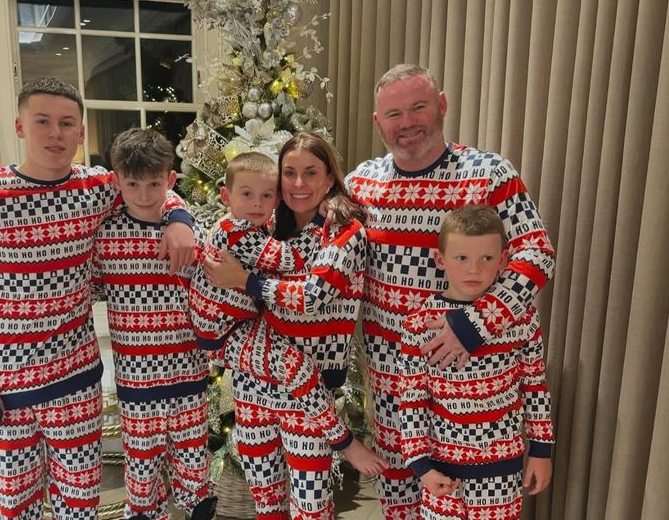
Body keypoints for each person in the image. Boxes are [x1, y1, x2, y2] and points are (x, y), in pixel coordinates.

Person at [0, 76, 195, 519]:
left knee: (79, 504)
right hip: (7, 384)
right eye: (42, 121)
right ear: (20, 126)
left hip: (76, 380)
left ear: (81, 132)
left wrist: (180, 220)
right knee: (14, 505)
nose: (55, 133)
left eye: (66, 123)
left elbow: (152, 185)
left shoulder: (97, 187)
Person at [344, 63, 556, 517]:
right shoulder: (360, 185)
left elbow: (536, 253)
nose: (407, 123)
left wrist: (474, 324)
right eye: (394, 114)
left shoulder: (490, 173)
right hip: (394, 387)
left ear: (441, 105)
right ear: (378, 122)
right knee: (401, 502)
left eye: (418, 107)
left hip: (470, 392)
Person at [205, 133, 387, 519]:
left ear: (329, 178)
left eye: (311, 172)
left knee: (310, 507)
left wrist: (246, 281)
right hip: (253, 385)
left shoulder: (346, 232)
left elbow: (313, 295)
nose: (299, 183)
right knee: (267, 504)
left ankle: (344, 443)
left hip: (309, 394)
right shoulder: (268, 224)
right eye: (289, 173)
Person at [91, 127, 216, 520]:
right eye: (132, 184)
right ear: (117, 181)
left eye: (154, 184)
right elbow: (89, 287)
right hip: (136, 380)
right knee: (142, 477)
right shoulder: (105, 234)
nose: (144, 195)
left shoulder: (189, 233)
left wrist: (180, 216)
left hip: (188, 373)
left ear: (170, 180)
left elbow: (211, 291)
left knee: (195, 473)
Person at [398, 204, 554, 519]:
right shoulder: (419, 323)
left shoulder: (521, 319)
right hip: (442, 470)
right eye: (462, 258)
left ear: (503, 260)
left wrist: (541, 450)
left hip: (501, 471)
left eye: (486, 258)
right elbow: (412, 399)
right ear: (440, 260)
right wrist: (421, 465)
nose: (474, 270)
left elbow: (534, 385)